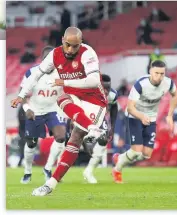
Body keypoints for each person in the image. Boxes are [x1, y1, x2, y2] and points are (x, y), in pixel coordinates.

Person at [11, 27, 107, 196]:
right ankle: (50, 185)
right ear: (62, 40)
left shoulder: (87, 53)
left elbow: (93, 81)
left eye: (75, 46)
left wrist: (64, 83)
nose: (70, 50)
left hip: (94, 101)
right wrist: (21, 95)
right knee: (62, 100)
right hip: (73, 97)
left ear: (81, 43)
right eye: (68, 45)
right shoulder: (55, 54)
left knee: (75, 138)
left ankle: (52, 181)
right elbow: (35, 75)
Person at [112, 60, 177, 183]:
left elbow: (175, 94)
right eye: (156, 73)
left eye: (162, 74)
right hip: (134, 116)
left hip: (151, 118)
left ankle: (120, 158)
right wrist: (141, 117)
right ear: (150, 72)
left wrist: (170, 115)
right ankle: (117, 169)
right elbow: (130, 107)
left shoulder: (168, 83)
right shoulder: (140, 84)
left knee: (146, 154)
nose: (159, 76)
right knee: (136, 151)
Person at [19, 46, 68, 184]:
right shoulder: (32, 72)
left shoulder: (62, 73)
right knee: (31, 143)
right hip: (35, 111)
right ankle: (27, 172)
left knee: (61, 137)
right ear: (42, 59)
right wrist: (27, 108)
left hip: (54, 110)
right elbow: (22, 92)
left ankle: (47, 168)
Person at [83, 74, 118, 184]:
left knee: (104, 139)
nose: (107, 91)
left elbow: (114, 109)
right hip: (83, 115)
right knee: (75, 143)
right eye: (104, 88)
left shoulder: (112, 94)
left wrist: (112, 127)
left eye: (108, 87)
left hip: (99, 117)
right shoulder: (89, 90)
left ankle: (89, 171)